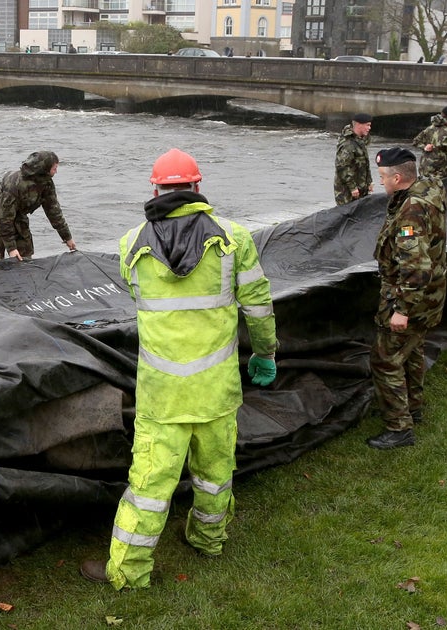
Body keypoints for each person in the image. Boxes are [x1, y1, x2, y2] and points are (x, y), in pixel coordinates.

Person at [79, 148, 278, 589]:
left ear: (154, 188)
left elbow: (139, 299)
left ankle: (129, 573)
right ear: (198, 186)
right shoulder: (235, 239)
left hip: (162, 393)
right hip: (216, 389)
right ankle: (208, 539)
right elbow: (259, 307)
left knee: (149, 485)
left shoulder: (130, 244)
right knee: (214, 473)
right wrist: (265, 353)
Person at [365, 148, 447, 450]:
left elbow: (415, 265)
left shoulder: (410, 211)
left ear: (397, 178)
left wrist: (401, 310)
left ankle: (399, 428)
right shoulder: (428, 191)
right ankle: (412, 407)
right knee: (412, 352)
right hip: (430, 297)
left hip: (410, 298)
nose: (381, 182)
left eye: (383, 177)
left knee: (385, 360)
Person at [0, 150, 77, 264]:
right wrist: (12, 248)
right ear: (44, 169)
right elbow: (3, 218)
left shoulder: (46, 183)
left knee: (25, 258)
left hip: (19, 215)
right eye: (54, 168)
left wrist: (67, 237)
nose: (56, 171)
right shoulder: (15, 184)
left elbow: (54, 212)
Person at [333, 112, 374, 205]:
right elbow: (342, 167)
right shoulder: (348, 144)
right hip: (346, 191)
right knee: (346, 216)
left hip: (361, 186)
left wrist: (369, 182)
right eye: (367, 125)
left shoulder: (361, 140)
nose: (369, 128)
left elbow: (364, 164)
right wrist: (352, 187)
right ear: (359, 125)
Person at [412, 105, 447, 180]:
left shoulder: (429, 129)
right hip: (440, 172)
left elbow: (415, 141)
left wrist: (424, 147)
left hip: (425, 168)